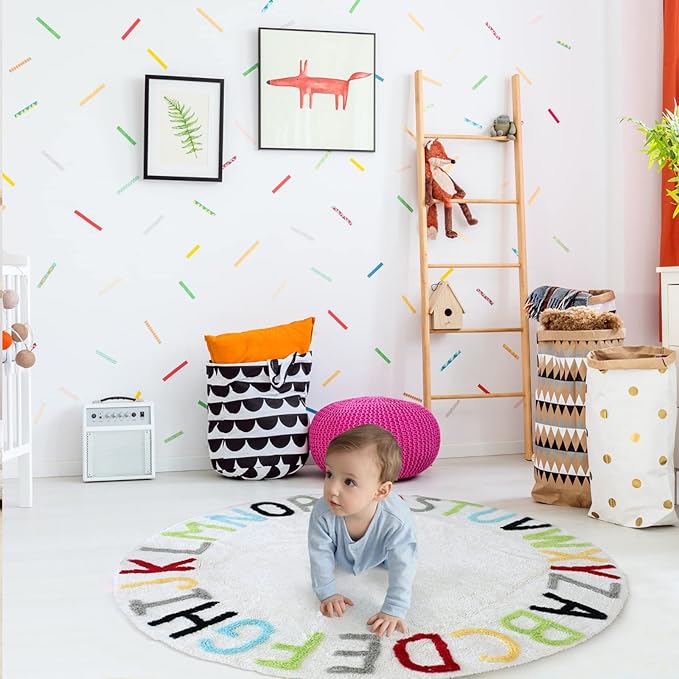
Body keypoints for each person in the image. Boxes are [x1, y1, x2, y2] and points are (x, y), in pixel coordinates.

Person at [307, 424, 417, 638]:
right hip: (342, 555)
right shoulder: (323, 513)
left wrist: (394, 609)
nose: (332, 489)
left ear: (381, 491)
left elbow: (404, 565)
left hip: (384, 554)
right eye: (330, 474)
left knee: (396, 560)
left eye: (349, 481)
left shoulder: (397, 521)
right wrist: (327, 593)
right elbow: (319, 554)